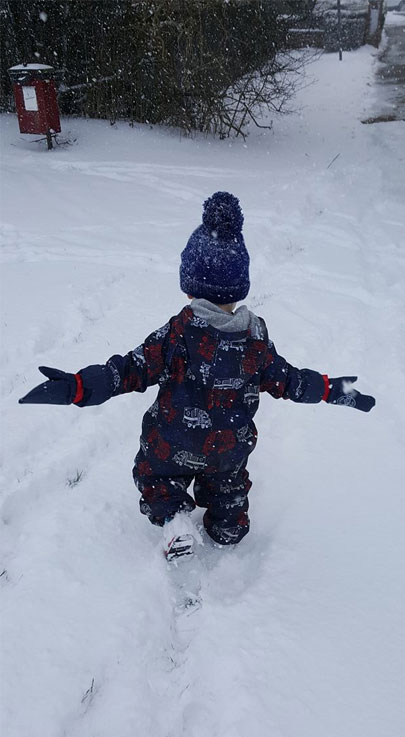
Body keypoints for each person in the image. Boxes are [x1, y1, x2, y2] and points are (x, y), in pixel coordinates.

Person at [19, 192, 375, 560]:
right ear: (238, 288)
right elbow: (291, 381)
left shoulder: (178, 334)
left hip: (172, 446)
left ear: (189, 284)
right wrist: (335, 389)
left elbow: (129, 370)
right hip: (228, 451)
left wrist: (79, 386)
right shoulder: (256, 341)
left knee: (155, 477)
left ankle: (175, 521)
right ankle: (227, 526)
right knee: (229, 493)